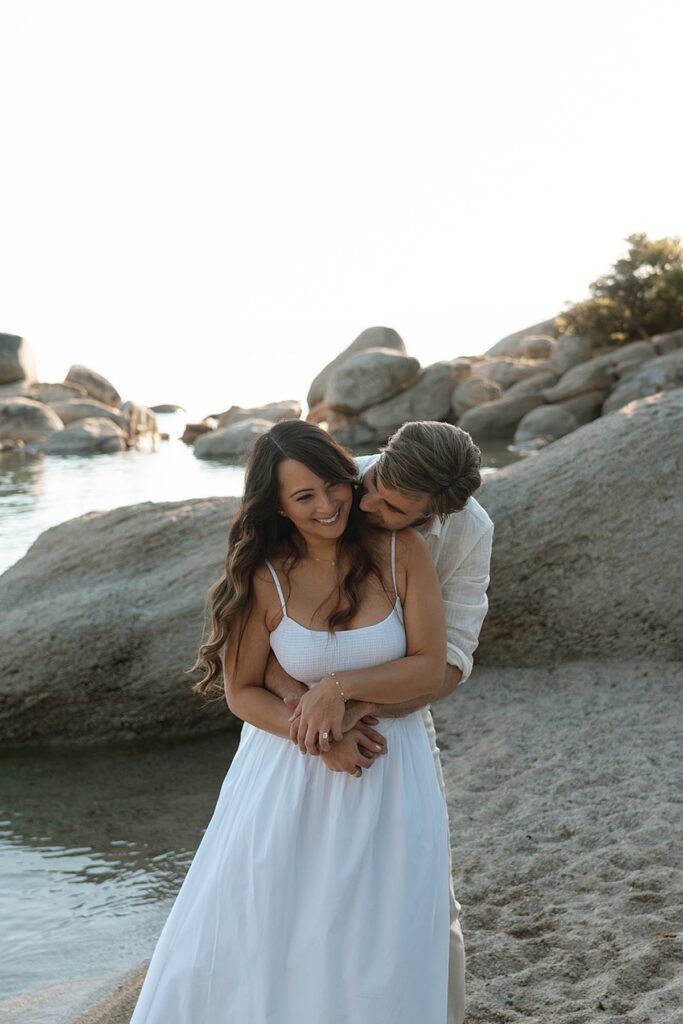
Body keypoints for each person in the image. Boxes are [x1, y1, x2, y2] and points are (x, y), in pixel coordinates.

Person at [129, 419, 453, 1024]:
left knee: (378, 947)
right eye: (303, 497)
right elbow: (242, 691)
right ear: (276, 503)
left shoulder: (400, 549)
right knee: (262, 942)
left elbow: (430, 668)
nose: (327, 505)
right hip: (284, 775)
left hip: (387, 770)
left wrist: (337, 689)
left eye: (333, 485)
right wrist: (319, 736)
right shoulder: (265, 573)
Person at [267, 420, 494, 1024]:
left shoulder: (467, 533)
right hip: (300, 731)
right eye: (374, 482)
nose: (364, 503)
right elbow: (260, 640)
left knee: (423, 903)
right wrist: (320, 721)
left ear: (432, 514)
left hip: (395, 726)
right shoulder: (337, 482)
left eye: (391, 506)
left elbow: (450, 662)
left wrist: (349, 701)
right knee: (294, 901)